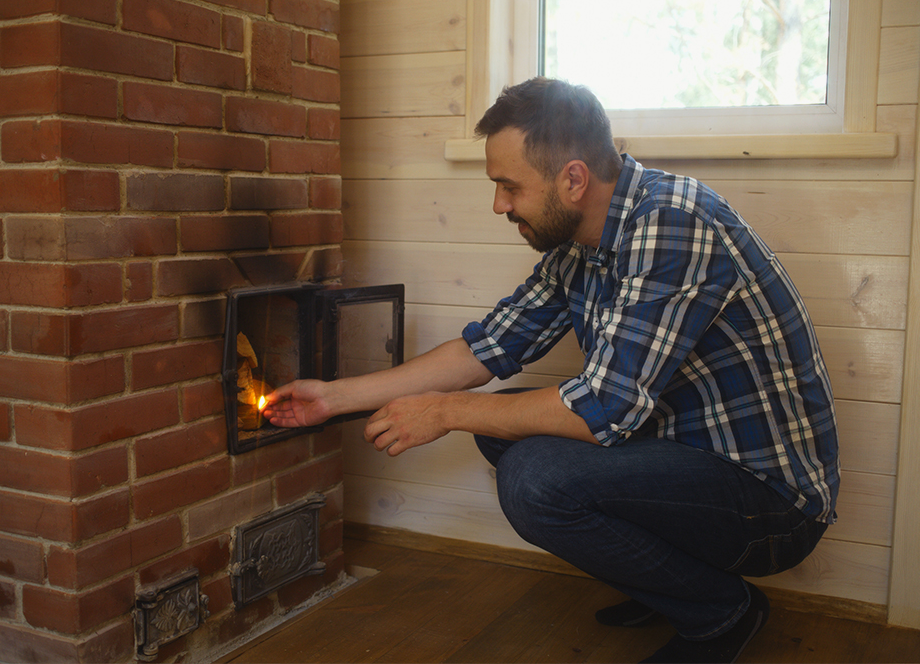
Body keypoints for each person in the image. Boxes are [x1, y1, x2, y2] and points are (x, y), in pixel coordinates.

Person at [263, 77, 839, 664]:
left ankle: (721, 610)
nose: (499, 205)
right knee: (502, 429)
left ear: (572, 179)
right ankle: (671, 586)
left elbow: (603, 409)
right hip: (682, 458)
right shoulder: (579, 243)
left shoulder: (671, 223)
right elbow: (482, 351)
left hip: (769, 498)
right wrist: (333, 397)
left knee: (534, 476)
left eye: (509, 186)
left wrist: (444, 412)